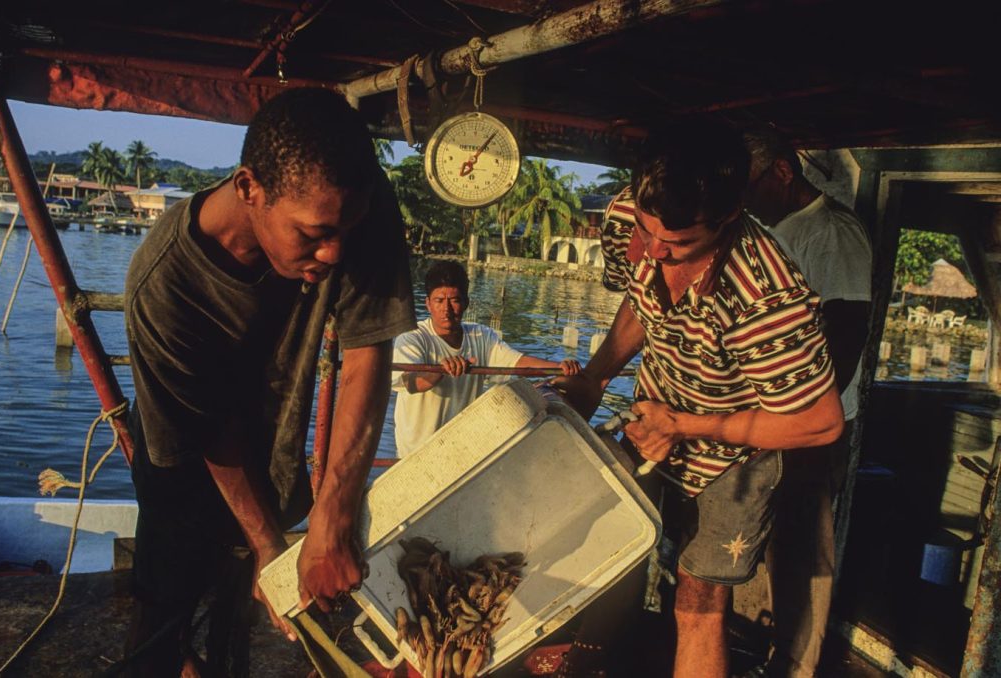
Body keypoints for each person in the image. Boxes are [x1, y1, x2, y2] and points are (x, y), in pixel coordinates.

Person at [123, 88, 415, 676]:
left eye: (346, 230)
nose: (333, 253)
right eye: (313, 234)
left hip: (272, 437)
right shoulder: (164, 286)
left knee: (238, 618)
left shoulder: (357, 205)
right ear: (249, 188)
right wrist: (267, 546)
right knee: (165, 610)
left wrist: (331, 521)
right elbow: (211, 435)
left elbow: (366, 356)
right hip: (190, 450)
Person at [554, 118, 844, 678]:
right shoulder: (626, 217)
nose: (654, 251)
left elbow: (820, 422)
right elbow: (642, 300)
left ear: (729, 216)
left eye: (679, 243)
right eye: (648, 232)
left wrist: (686, 425)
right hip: (655, 420)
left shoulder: (766, 296)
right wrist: (596, 376)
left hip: (735, 458)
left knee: (697, 602)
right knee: (612, 549)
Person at [743, 125, 872, 678]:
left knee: (802, 551)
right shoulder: (769, 232)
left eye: (750, 184)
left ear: (782, 171)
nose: (744, 198)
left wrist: (804, 420)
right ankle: (757, 648)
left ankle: (797, 665)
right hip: (766, 422)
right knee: (758, 542)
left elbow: (847, 331)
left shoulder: (831, 232)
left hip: (808, 427)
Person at [392, 260, 580, 457]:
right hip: (415, 454)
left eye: (454, 300)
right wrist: (440, 370)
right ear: (428, 304)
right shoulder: (412, 338)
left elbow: (517, 362)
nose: (446, 309)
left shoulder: (481, 336)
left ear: (466, 303)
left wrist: (560, 367)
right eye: (439, 301)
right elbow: (412, 382)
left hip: (459, 451)